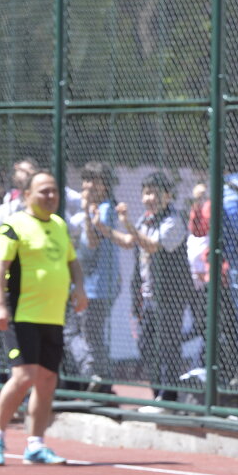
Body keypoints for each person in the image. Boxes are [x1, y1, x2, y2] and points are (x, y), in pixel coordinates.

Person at [0, 170, 87, 466]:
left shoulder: (58, 225)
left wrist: (79, 288)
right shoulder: (13, 227)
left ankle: (35, 444)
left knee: (47, 379)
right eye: (43, 191)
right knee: (24, 376)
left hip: (53, 317)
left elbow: (73, 261)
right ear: (26, 195)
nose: (50, 196)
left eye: (53, 191)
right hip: (21, 314)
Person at [110, 172, 193, 410]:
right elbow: (129, 242)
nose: (150, 198)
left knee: (168, 344)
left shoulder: (173, 221)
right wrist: (102, 227)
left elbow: (152, 245)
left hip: (170, 294)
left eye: (155, 193)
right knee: (146, 344)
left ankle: (169, 397)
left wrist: (128, 224)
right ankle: (158, 394)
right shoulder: (145, 220)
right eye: (146, 193)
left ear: (167, 196)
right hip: (147, 295)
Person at [67, 161, 121, 390]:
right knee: (79, 331)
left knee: (90, 332)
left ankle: (99, 378)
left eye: (95, 180)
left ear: (105, 184)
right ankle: (97, 377)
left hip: (99, 285)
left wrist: (88, 212)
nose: (89, 185)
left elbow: (91, 243)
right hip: (86, 283)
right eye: (86, 180)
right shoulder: (86, 210)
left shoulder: (105, 209)